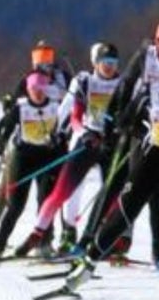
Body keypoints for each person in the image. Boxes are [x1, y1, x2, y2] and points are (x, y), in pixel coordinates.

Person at [64, 43, 159, 296]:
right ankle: (87, 264)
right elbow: (126, 121)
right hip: (151, 160)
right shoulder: (153, 91)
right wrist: (144, 131)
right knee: (123, 213)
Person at [13, 42, 125, 258]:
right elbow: (74, 116)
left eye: (113, 63)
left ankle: (107, 241)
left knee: (113, 195)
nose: (109, 67)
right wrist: (82, 132)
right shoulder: (84, 81)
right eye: (104, 62)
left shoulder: (123, 83)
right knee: (63, 192)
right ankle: (38, 234)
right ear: (95, 62)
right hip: (88, 140)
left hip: (111, 143)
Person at [0, 71, 67, 263]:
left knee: (46, 204)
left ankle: (44, 244)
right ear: (28, 90)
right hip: (23, 158)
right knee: (15, 205)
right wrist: (0, 145)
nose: (38, 93)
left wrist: (59, 141)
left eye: (41, 88)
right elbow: (8, 128)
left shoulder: (56, 107)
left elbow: (64, 132)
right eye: (34, 89)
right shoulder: (21, 107)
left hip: (47, 158)